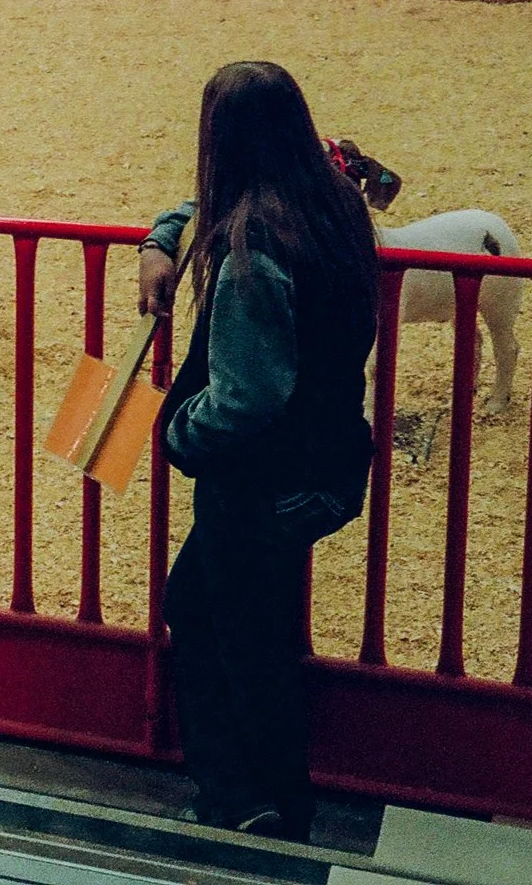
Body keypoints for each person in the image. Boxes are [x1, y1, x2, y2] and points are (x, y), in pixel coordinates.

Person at [136, 62, 378, 842]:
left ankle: (260, 803)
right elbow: (198, 205)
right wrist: (161, 238)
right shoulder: (334, 203)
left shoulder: (249, 252)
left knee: (246, 638)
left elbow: (248, 394)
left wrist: (178, 429)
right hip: (332, 464)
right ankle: (246, 790)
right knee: (204, 609)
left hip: (258, 482)